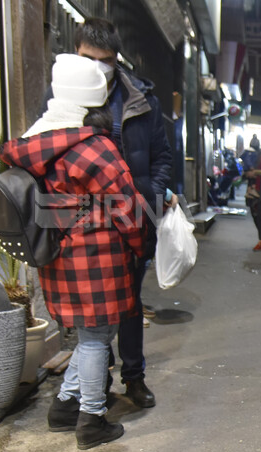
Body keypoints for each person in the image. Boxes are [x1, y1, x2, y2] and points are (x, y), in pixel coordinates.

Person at [0, 54, 145, 449]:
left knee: (88, 334)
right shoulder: (91, 147)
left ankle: (65, 404)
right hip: (96, 254)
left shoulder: (33, 141)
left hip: (56, 251)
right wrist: (140, 245)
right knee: (98, 336)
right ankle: (91, 419)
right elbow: (126, 205)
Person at [51, 17, 175, 409]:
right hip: (82, 227)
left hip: (131, 217)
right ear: (76, 53)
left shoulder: (140, 98)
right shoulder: (63, 92)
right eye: (89, 58)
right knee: (93, 318)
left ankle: (133, 378)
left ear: (117, 59)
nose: (97, 69)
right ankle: (93, 389)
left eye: (105, 61)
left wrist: (148, 198)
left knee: (130, 304)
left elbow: (162, 158)